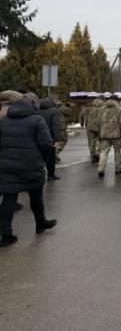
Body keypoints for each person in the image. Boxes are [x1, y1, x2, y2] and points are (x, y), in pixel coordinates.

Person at [0, 96, 57, 247]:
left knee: (9, 198)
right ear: (32, 106)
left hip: (6, 166)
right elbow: (46, 144)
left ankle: (5, 234)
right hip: (31, 165)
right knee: (36, 196)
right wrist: (44, 160)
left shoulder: (4, 120)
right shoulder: (37, 120)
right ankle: (40, 223)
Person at [97, 95, 121, 178]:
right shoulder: (120, 109)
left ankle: (101, 169)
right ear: (116, 100)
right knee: (117, 151)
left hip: (104, 135)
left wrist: (99, 134)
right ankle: (118, 168)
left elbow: (98, 123)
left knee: (104, 152)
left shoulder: (102, 109)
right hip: (116, 135)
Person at [39, 97, 62, 181]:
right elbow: (55, 126)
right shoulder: (54, 111)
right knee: (50, 158)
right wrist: (56, 139)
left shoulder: (38, 111)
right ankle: (50, 175)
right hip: (49, 137)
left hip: (39, 137)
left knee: (39, 157)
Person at [83, 97, 104, 163]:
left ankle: (92, 155)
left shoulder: (89, 107)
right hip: (100, 126)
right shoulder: (103, 108)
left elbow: (85, 117)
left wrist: (86, 125)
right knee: (102, 141)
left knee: (91, 142)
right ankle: (98, 153)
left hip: (90, 127)